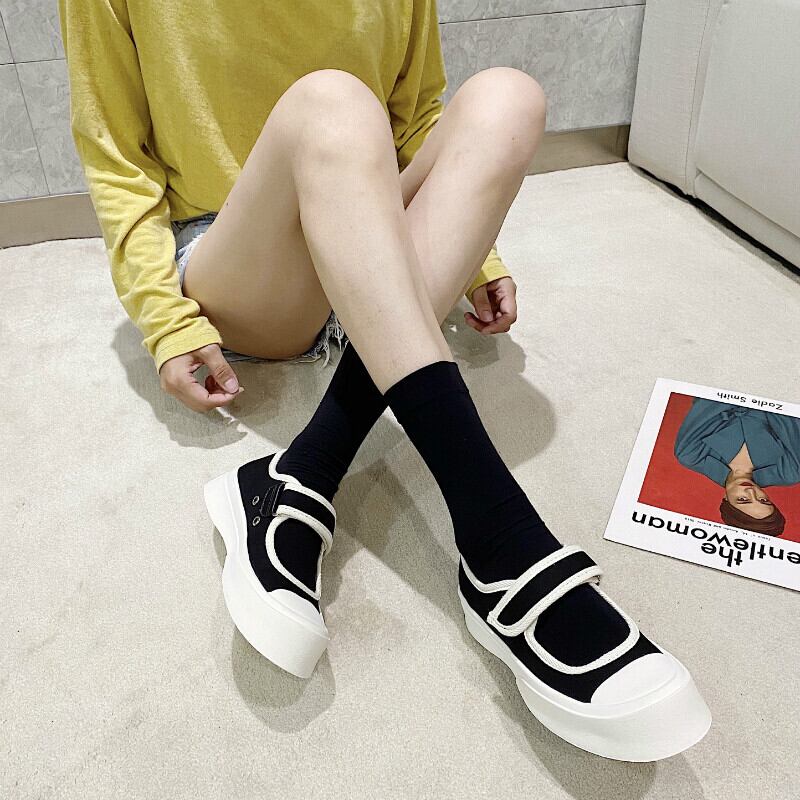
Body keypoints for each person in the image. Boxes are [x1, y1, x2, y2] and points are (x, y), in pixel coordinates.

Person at [59, 0, 711, 761]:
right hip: (241, 257)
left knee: (507, 98)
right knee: (331, 101)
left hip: (365, 225)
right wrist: (166, 321)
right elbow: (116, 158)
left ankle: (304, 470)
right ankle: (503, 545)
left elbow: (419, 120)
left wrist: (477, 256)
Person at [674, 398, 799, 536]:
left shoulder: (691, 454)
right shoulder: (790, 471)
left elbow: (709, 402)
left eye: (743, 499)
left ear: (726, 500)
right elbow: (791, 416)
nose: (751, 491)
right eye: (763, 500)